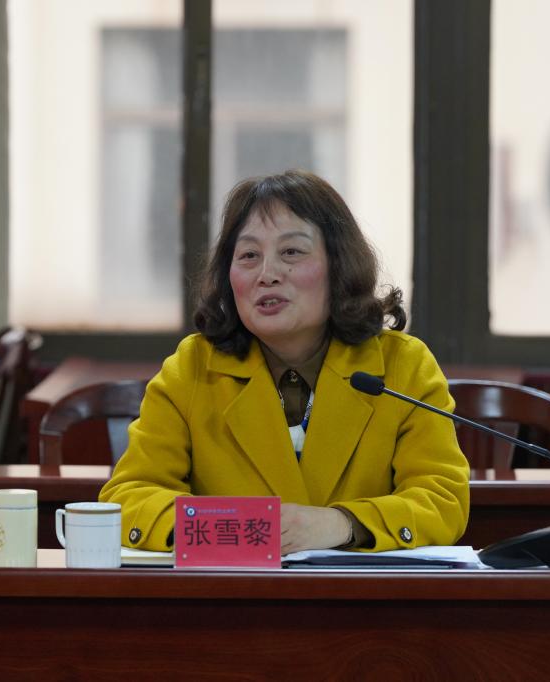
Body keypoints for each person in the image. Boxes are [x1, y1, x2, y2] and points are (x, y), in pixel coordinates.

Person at [99, 169, 470, 554]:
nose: (267, 275)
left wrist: (342, 524)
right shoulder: (192, 368)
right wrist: (240, 530)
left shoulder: (402, 366)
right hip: (233, 587)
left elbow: (442, 499)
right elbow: (129, 496)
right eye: (248, 256)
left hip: (358, 591)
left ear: (339, 264)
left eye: (291, 252)